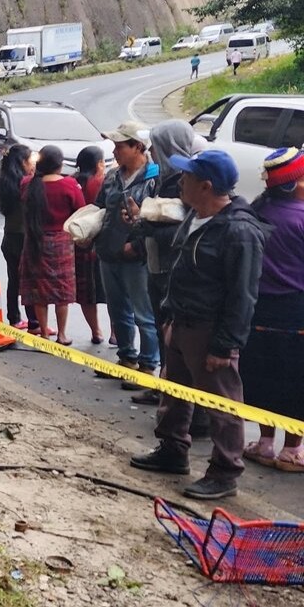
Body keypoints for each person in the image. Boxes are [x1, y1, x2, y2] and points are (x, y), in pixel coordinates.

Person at [130, 149, 266, 500]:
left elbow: (243, 296)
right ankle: (173, 451)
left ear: (206, 186)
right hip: (182, 321)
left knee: (222, 405)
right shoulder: (194, 216)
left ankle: (224, 472)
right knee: (174, 393)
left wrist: (224, 345)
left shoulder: (239, 231)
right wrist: (170, 315)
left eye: (187, 177)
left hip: (211, 331)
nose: (180, 182)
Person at [127, 120, 206, 405]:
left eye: (156, 146)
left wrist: (144, 223)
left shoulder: (187, 183)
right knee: (163, 334)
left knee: (176, 338)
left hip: (173, 270)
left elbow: (182, 231)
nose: (151, 151)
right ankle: (163, 387)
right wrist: (140, 223)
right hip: (155, 264)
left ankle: (177, 397)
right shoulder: (163, 178)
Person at [242, 147, 304, 471]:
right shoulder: (301, 219)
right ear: (296, 183)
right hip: (296, 312)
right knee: (295, 380)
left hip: (259, 309)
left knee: (263, 377)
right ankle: (292, 450)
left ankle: (265, 443)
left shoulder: (258, 212)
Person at [94, 121, 159, 381]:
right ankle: (126, 357)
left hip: (137, 256)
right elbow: (99, 208)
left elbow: (159, 222)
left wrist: (138, 246)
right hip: (109, 251)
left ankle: (147, 364)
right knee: (117, 308)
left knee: (144, 313)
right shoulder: (112, 176)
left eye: (120, 146)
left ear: (138, 147)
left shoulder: (155, 179)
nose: (115, 151)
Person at [20, 145, 84, 344]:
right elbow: (81, 212)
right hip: (61, 243)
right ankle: (62, 334)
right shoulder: (69, 185)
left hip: (34, 241)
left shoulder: (28, 184)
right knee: (61, 291)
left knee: (39, 291)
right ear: (60, 164)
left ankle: (45, 334)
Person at [0, 144, 38, 328]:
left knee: (14, 279)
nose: (33, 164)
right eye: (31, 160)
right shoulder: (26, 183)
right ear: (23, 162)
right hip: (24, 237)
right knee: (29, 281)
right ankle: (34, 321)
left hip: (9, 237)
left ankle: (14, 318)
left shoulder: (4, 181)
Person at [73, 146, 106, 343]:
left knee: (86, 293)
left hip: (80, 243)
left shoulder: (73, 182)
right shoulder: (102, 183)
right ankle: (115, 334)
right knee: (113, 293)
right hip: (101, 245)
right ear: (98, 164)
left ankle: (96, 332)